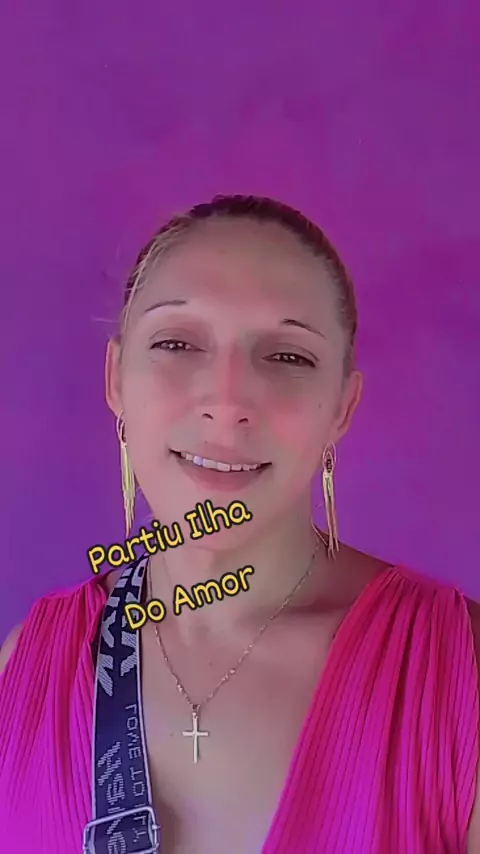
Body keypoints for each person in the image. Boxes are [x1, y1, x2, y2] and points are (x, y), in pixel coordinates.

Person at [0, 193, 479, 853]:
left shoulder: (457, 675)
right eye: (176, 343)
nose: (226, 403)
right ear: (116, 380)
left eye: (288, 357)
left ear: (342, 408)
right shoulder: (24, 668)